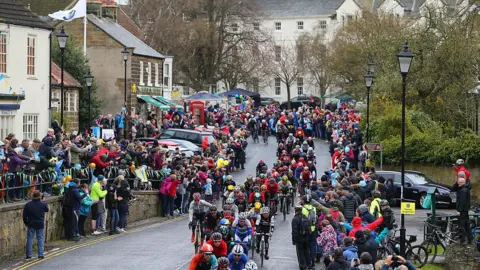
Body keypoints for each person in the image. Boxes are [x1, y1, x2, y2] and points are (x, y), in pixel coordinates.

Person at [23, 191, 48, 260]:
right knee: (40, 238)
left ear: (33, 196)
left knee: (30, 238)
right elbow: (47, 209)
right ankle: (40, 254)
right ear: (40, 196)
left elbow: (24, 216)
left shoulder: (28, 204)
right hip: (40, 223)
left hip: (31, 223)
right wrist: (43, 201)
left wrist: (26, 223)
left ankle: (28, 255)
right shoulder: (43, 204)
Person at [452, 177, 473, 244]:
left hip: (462, 210)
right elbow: (453, 189)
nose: (458, 183)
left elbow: (462, 201)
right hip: (465, 210)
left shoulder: (463, 190)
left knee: (461, 226)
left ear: (462, 183)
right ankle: (470, 239)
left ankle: (462, 240)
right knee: (467, 225)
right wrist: (456, 182)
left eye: (459, 182)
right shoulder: (463, 188)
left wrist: (459, 211)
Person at [291, 205, 312, 270]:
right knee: (306, 252)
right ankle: (309, 265)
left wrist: (294, 240)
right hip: (306, 238)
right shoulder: (305, 217)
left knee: (300, 253)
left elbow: (294, 231)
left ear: (295, 210)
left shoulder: (295, 219)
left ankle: (302, 266)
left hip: (299, 239)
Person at [301, 195, 317, 267]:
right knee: (313, 245)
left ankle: (305, 262)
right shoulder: (314, 208)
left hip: (305, 230)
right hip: (313, 229)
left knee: (305, 246)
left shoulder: (302, 209)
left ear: (303, 201)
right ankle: (312, 260)